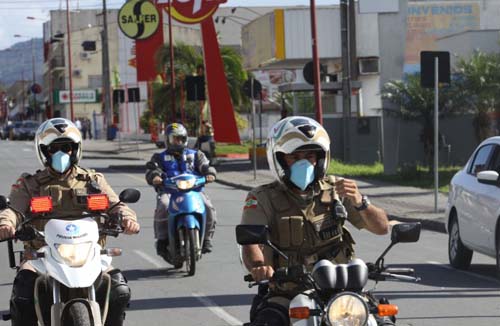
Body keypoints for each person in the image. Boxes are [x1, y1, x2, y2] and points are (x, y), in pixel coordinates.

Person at [240, 116, 389, 326]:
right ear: (280, 159)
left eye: (309, 155)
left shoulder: (338, 189)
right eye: (295, 156)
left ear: (320, 159)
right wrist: (258, 267)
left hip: (343, 289)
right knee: (268, 321)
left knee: (383, 320)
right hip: (289, 290)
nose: (304, 162)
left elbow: (382, 227)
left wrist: (360, 202)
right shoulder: (262, 197)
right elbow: (250, 241)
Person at [0, 118, 140, 326]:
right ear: (44, 152)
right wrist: (6, 224)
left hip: (89, 254)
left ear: (76, 150)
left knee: (119, 289)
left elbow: (116, 205)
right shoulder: (30, 184)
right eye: (54, 149)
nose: (61, 154)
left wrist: (128, 219)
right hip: (42, 255)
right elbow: (14, 210)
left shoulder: (93, 181)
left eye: (67, 148)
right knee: (23, 291)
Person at [145, 122, 217, 257]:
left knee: (208, 206)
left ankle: (207, 239)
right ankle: (162, 240)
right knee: (163, 205)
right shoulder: (159, 157)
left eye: (181, 138)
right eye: (174, 138)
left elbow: (206, 166)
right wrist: (155, 177)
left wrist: (210, 174)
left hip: (194, 190)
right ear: (167, 140)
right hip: (169, 191)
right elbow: (152, 169)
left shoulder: (196, 155)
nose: (178, 142)